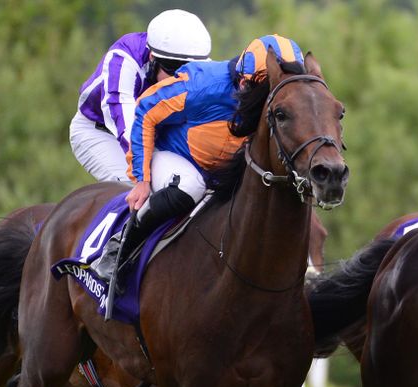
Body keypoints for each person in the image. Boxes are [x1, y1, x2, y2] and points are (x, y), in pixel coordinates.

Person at [91, 35, 306, 290]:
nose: (265, 97)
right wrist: (142, 179)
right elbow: (145, 111)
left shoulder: (280, 101)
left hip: (220, 168)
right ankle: (119, 249)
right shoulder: (202, 84)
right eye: (262, 88)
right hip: (173, 156)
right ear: (245, 80)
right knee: (190, 187)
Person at [69, 9, 212, 183]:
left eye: (189, 70)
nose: (180, 79)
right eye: (174, 69)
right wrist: (142, 175)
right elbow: (125, 125)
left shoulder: (202, 65)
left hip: (155, 133)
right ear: (153, 58)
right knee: (136, 184)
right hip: (100, 132)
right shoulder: (123, 60)